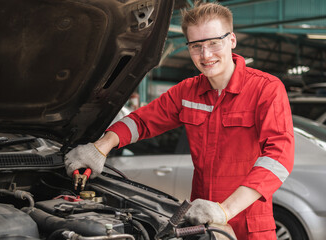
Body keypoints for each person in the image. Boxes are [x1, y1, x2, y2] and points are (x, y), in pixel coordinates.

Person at [65, 2, 294, 239]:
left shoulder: (266, 89)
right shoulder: (187, 92)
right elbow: (142, 121)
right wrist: (100, 148)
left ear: (232, 40)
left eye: (214, 43)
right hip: (201, 221)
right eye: (196, 46)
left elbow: (279, 157)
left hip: (248, 224)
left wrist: (225, 210)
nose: (206, 55)